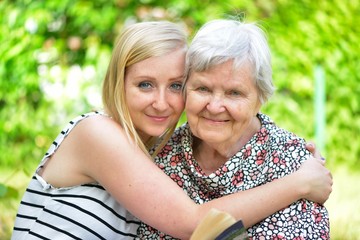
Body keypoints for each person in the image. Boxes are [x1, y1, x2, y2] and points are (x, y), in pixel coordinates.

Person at [11, 21, 331, 240]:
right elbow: (191, 223)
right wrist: (299, 183)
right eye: (145, 85)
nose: (162, 103)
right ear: (117, 84)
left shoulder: (157, 154)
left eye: (176, 85)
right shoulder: (98, 133)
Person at [137, 19, 330, 239]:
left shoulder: (293, 164)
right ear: (185, 90)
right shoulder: (161, 154)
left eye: (234, 93)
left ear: (260, 98)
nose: (215, 106)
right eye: (203, 88)